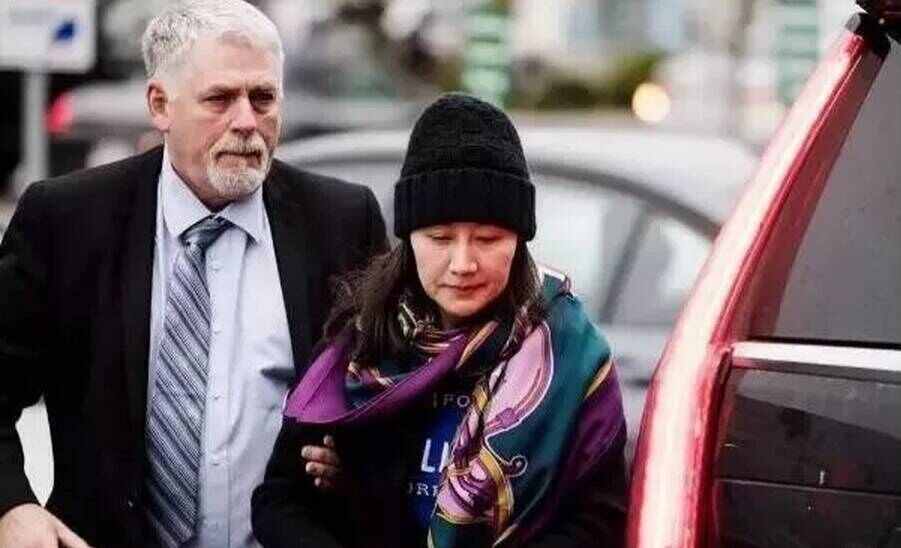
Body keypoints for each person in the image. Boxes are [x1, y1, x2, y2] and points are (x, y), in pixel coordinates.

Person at [0, 1, 386, 546]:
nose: (246, 121)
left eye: (263, 98)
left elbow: (389, 392)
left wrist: (358, 463)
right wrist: (11, 506)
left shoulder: (341, 222)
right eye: (219, 99)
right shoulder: (68, 221)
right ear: (160, 104)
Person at [252, 93, 628, 548]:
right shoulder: (363, 340)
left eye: (488, 238)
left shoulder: (570, 353)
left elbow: (599, 520)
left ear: (519, 239)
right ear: (409, 237)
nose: (463, 263)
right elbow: (279, 501)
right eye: (440, 238)